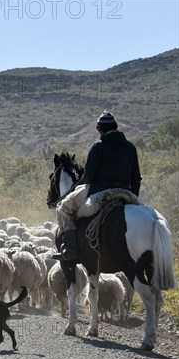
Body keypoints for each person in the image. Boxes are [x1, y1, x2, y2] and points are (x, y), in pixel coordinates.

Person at [53, 111, 142, 261]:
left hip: (99, 192)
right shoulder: (130, 147)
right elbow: (136, 179)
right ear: (115, 127)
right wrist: (131, 197)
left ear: (100, 130)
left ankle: (70, 250)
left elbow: (88, 177)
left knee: (63, 207)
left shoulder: (98, 147)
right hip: (126, 192)